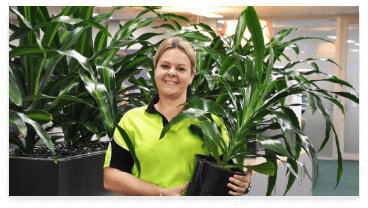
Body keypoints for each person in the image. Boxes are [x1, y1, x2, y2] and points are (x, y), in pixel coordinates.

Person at [103, 37, 252, 196]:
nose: (171, 73)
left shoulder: (210, 121)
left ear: (192, 76)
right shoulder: (131, 120)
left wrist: (243, 185)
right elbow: (111, 178)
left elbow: (226, 174)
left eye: (181, 69)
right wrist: (160, 192)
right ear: (155, 69)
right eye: (165, 66)